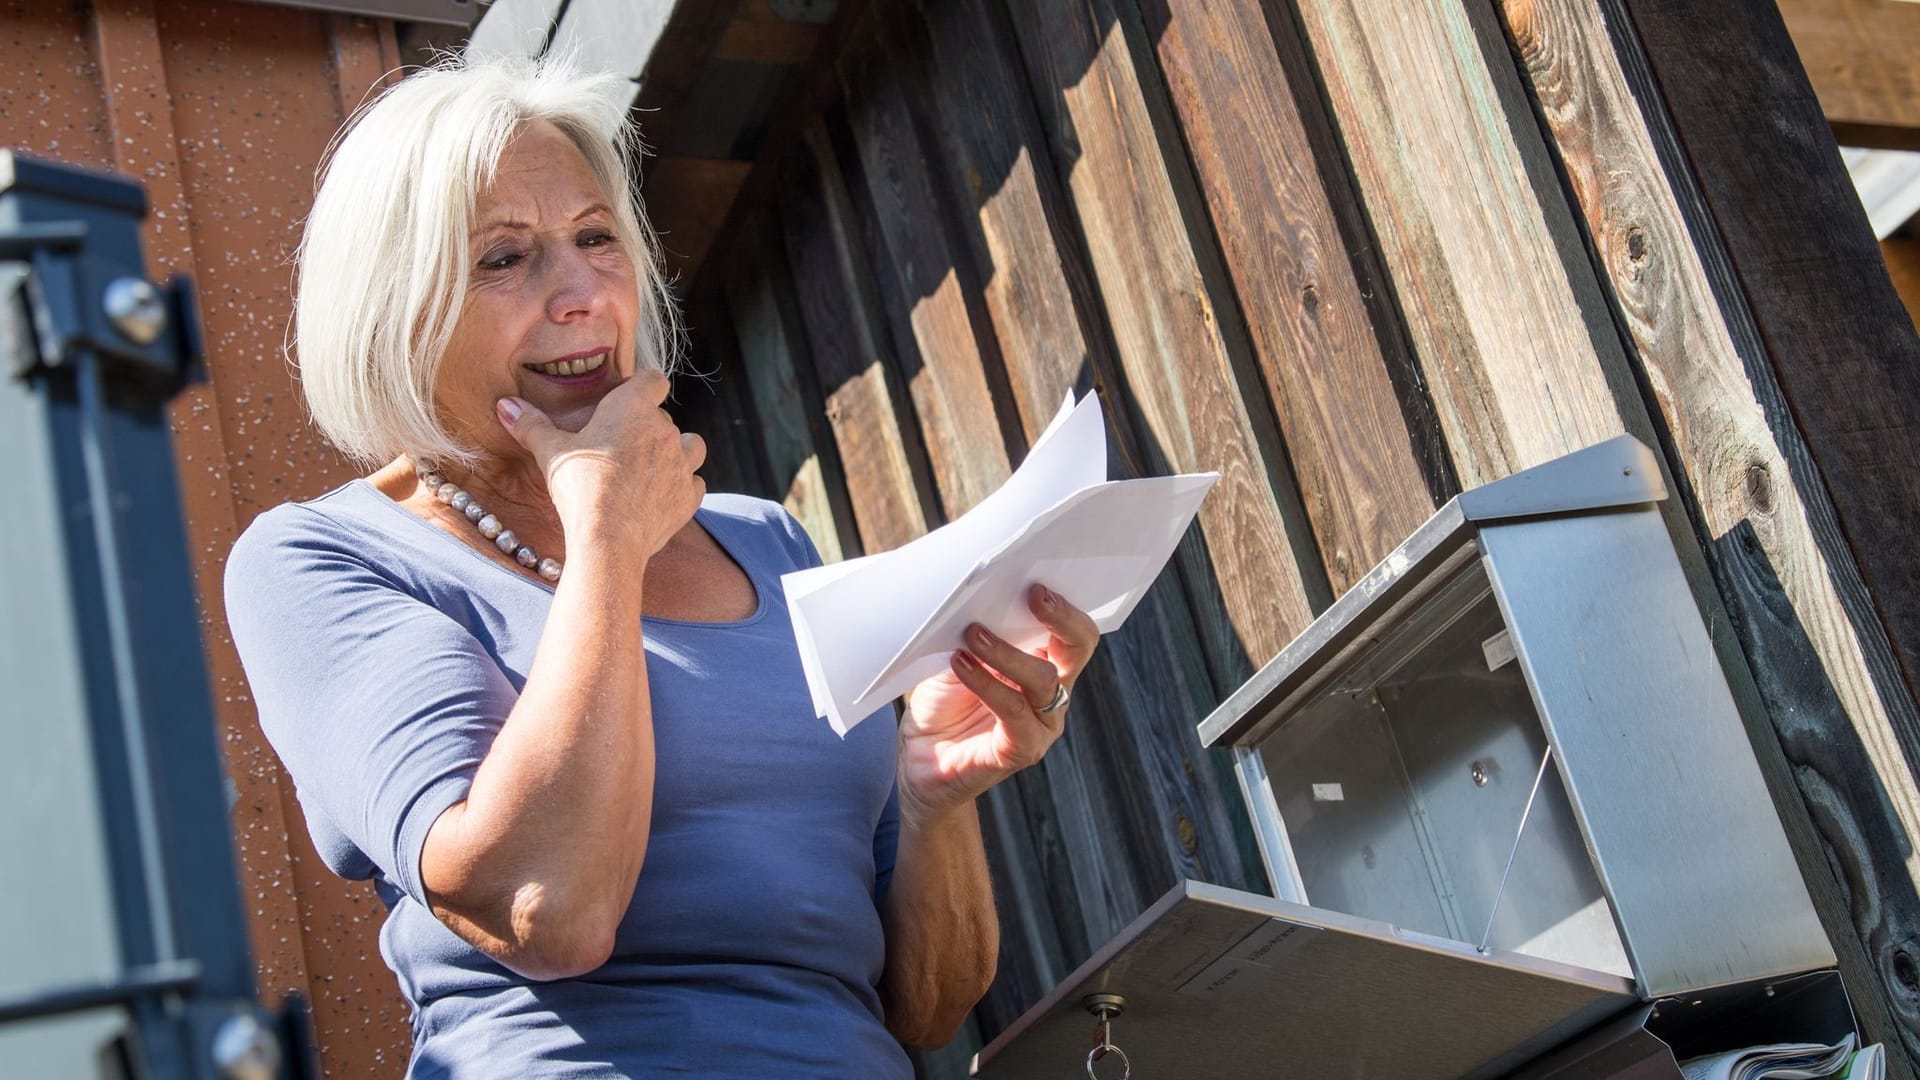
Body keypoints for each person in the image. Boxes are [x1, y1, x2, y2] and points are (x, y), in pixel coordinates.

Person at [223, 54, 1099, 1079]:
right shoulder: (325, 557)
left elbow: (926, 1008)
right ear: (390, 306)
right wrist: (602, 532)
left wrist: (935, 797)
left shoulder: (771, 542)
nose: (583, 293)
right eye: (504, 259)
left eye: (597, 239)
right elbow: (545, 910)